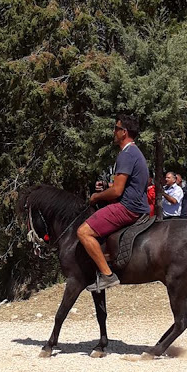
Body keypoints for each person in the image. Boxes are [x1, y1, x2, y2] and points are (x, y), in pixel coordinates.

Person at [77, 114, 150, 291]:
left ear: (124, 132)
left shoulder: (126, 154)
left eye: (116, 128)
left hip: (128, 208)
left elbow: (117, 191)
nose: (114, 132)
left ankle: (107, 275)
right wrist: (107, 186)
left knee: (83, 232)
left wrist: (96, 197)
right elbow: (124, 185)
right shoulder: (134, 152)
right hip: (138, 205)